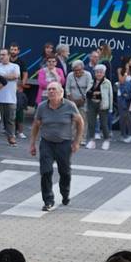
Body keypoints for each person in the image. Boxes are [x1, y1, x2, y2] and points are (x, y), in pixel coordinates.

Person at [30, 82, 83, 212]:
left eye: (54, 89)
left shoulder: (70, 106)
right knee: (46, 171)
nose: (51, 92)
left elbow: (80, 122)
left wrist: (77, 141)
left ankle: (65, 193)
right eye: (49, 90)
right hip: (47, 142)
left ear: (61, 92)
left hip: (64, 143)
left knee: (64, 172)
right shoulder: (42, 107)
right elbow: (36, 125)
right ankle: (48, 200)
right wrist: (32, 143)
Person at [0, 49, 21, 146]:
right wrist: (6, 77)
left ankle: (11, 137)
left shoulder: (15, 66)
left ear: (8, 55)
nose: (1, 57)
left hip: (11, 98)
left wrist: (0, 76)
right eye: (0, 55)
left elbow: (15, 76)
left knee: (10, 120)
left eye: (4, 55)